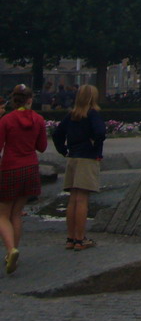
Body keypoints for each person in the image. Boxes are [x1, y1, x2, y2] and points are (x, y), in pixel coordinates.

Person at [0, 84, 48, 274]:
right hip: (30, 168)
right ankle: (13, 251)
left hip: (10, 168)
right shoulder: (38, 119)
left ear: (13, 100)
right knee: (17, 213)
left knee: (2, 214)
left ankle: (11, 249)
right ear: (30, 100)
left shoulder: (6, 120)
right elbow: (42, 147)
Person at [52, 84, 106, 251]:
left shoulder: (71, 115)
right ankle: (81, 239)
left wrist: (64, 150)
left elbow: (56, 134)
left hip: (73, 158)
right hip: (87, 158)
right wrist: (95, 145)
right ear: (93, 98)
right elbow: (100, 132)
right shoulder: (92, 114)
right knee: (82, 199)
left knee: (73, 199)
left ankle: (71, 238)